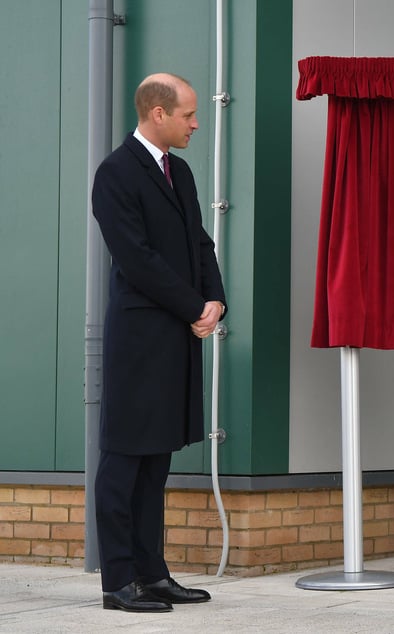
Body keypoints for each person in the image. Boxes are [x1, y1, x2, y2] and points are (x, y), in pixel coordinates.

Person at [91, 73, 226, 612]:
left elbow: (199, 240)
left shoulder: (181, 171)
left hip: (175, 334)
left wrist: (215, 299)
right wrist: (194, 306)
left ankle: (153, 574)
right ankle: (117, 583)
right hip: (140, 339)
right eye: (189, 115)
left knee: (156, 464)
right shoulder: (116, 173)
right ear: (158, 113)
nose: (197, 123)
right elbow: (137, 259)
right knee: (124, 461)